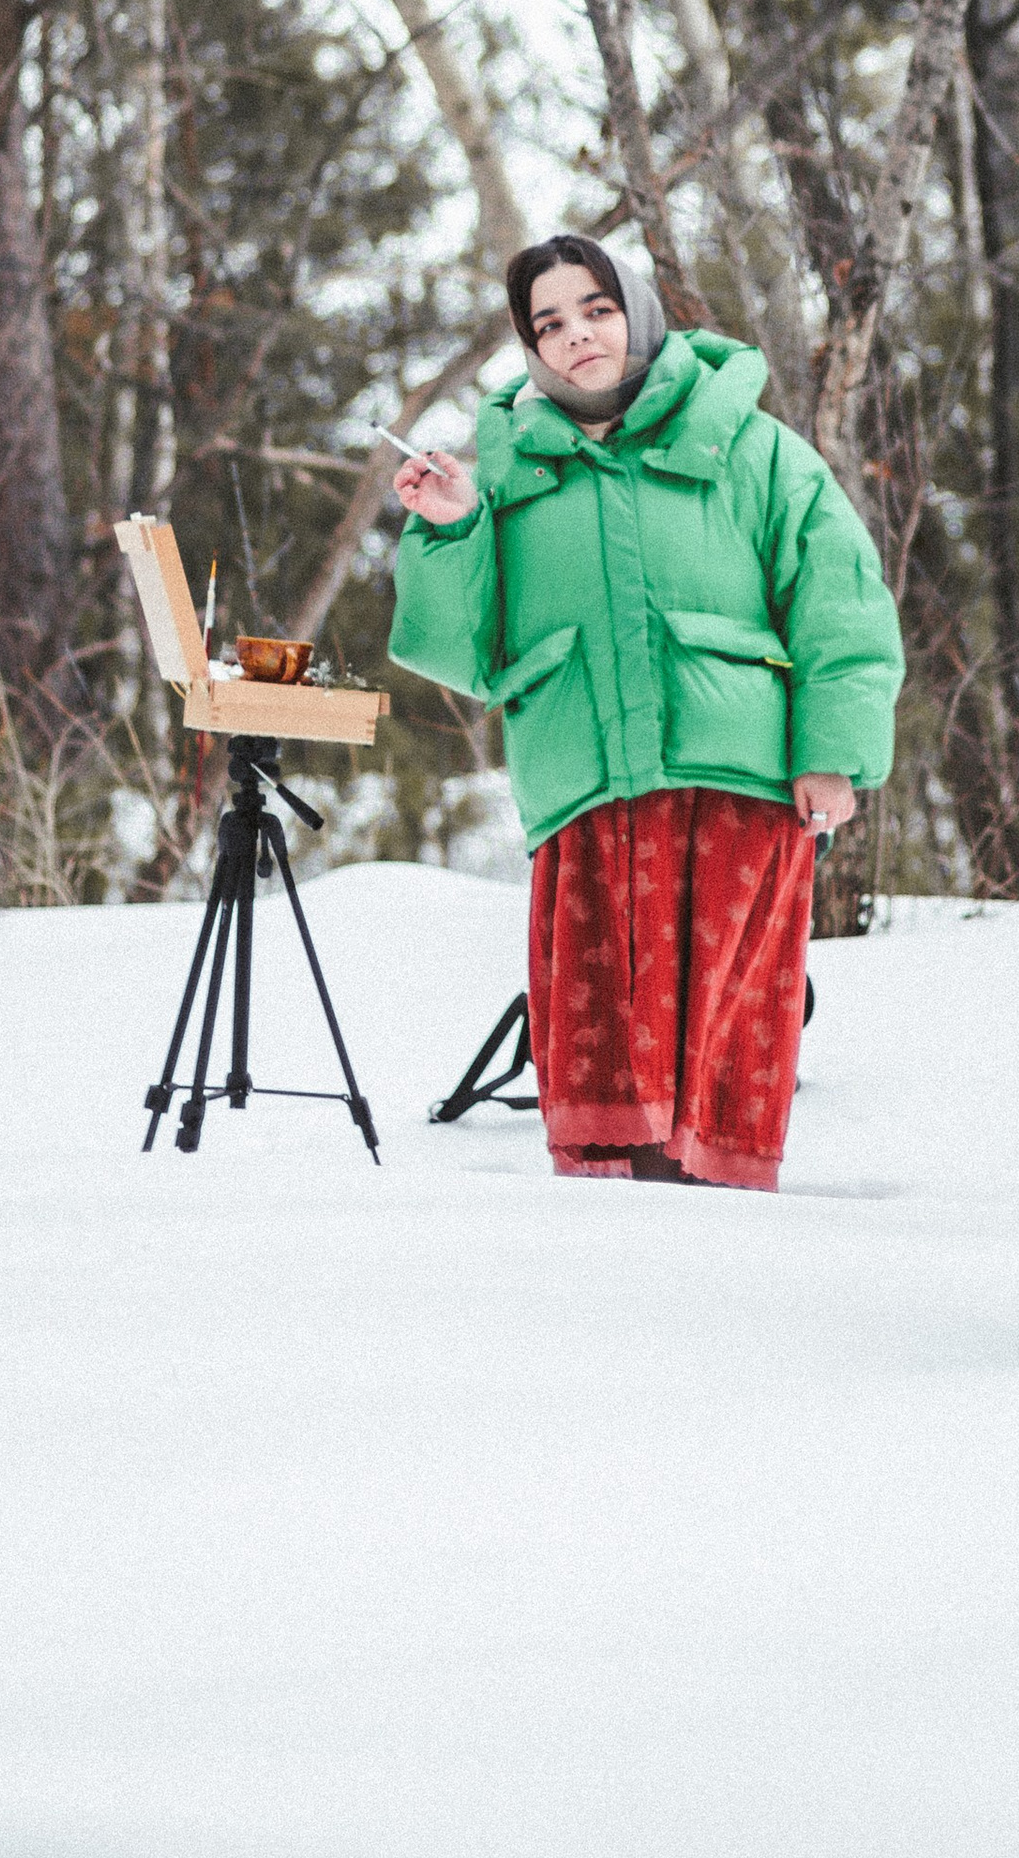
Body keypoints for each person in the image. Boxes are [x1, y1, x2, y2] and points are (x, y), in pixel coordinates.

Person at [388, 235, 905, 1190]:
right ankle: (612, 1287)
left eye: (595, 309)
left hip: (737, 791)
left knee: (723, 1054)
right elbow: (459, 656)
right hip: (585, 796)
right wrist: (451, 530)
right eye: (549, 324)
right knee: (601, 1069)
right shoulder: (502, 477)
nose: (576, 336)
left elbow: (841, 603)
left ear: (638, 312)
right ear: (530, 348)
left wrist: (832, 752)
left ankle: (725, 1254)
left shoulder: (751, 446)